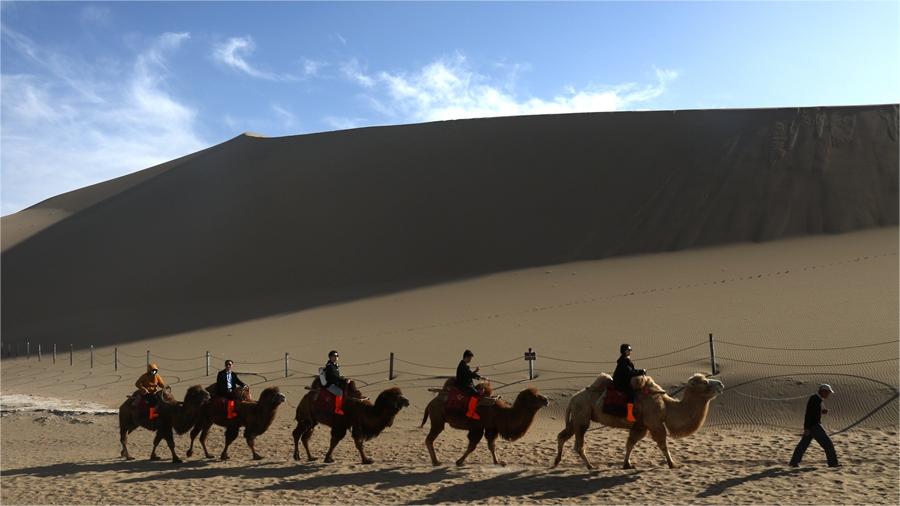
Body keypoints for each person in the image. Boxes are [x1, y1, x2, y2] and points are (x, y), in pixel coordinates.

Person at [789, 384, 840, 468]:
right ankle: (833, 464)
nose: (828, 394)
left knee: (803, 444)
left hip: (812, 426)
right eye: (828, 392)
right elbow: (809, 415)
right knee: (828, 444)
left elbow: (815, 412)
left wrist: (822, 412)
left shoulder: (818, 399)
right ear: (823, 391)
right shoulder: (815, 399)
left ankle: (794, 462)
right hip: (814, 426)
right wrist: (807, 428)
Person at [612, 343, 646, 423]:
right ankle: (629, 414)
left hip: (625, 381)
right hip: (620, 384)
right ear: (624, 351)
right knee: (631, 394)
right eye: (629, 350)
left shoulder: (625, 360)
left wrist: (640, 371)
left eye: (630, 350)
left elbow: (631, 371)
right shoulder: (623, 361)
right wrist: (641, 371)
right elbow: (630, 372)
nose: (630, 351)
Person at [456, 349, 482, 420]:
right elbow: (469, 374)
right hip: (463, 386)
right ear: (466, 357)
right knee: (476, 394)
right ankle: (471, 412)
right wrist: (479, 377)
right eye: (470, 358)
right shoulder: (463, 366)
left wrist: (477, 374)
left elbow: (468, 374)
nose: (470, 360)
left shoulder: (463, 365)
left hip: (466, 384)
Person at [323, 350, 348, 415]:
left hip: (335, 382)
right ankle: (337, 409)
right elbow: (334, 376)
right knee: (340, 392)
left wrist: (342, 378)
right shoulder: (330, 366)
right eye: (334, 356)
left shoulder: (335, 365)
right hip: (330, 385)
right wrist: (343, 380)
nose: (336, 357)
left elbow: (337, 376)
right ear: (330, 357)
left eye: (337, 356)